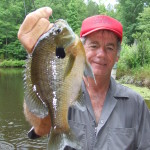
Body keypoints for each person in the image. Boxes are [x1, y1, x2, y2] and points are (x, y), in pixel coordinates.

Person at [18, 7, 150, 150]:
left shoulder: (136, 104)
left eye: (110, 48)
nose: (101, 54)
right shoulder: (63, 88)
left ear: (117, 56)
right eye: (94, 45)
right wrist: (37, 55)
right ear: (81, 47)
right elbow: (41, 127)